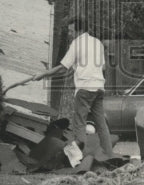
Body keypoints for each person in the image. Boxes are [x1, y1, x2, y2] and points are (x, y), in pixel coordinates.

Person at [24, 16, 114, 165]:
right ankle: (110, 157)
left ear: (79, 29)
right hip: (98, 88)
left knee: (79, 126)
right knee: (101, 124)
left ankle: (79, 162)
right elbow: (103, 67)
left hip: (84, 89)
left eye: (72, 30)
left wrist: (43, 75)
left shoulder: (76, 44)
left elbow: (62, 68)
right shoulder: (97, 42)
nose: (70, 33)